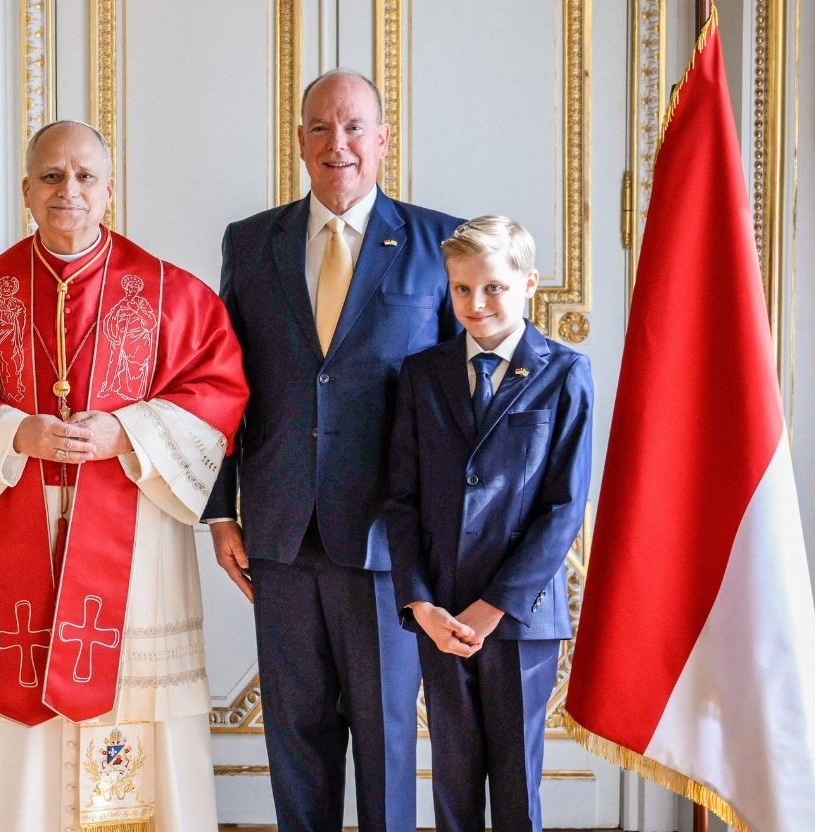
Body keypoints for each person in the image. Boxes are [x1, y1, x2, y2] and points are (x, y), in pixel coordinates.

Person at [0, 120, 248, 831]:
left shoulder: (171, 294)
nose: (70, 191)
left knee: (135, 704)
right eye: (53, 177)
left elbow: (216, 395)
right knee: (20, 706)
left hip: (136, 538)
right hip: (18, 515)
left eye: (86, 176)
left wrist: (124, 430)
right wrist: (16, 430)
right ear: (27, 189)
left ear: (110, 189)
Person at [203, 69, 462, 832]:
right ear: (300, 141)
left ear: (383, 140)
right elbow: (225, 388)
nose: (337, 144)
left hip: (389, 538)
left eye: (353, 128)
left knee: (386, 742)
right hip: (278, 535)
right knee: (297, 742)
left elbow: (455, 405)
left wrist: (445, 538)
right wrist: (221, 513)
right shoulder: (251, 243)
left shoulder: (437, 242)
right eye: (320, 127)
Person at [385, 216, 592, 832]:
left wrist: (495, 606)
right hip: (441, 614)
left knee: (515, 780)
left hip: (521, 618)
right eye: (461, 290)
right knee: (451, 777)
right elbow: (400, 500)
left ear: (528, 284)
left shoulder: (563, 373)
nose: (476, 304)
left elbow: (564, 508)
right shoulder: (423, 374)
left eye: (494, 288)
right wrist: (421, 602)